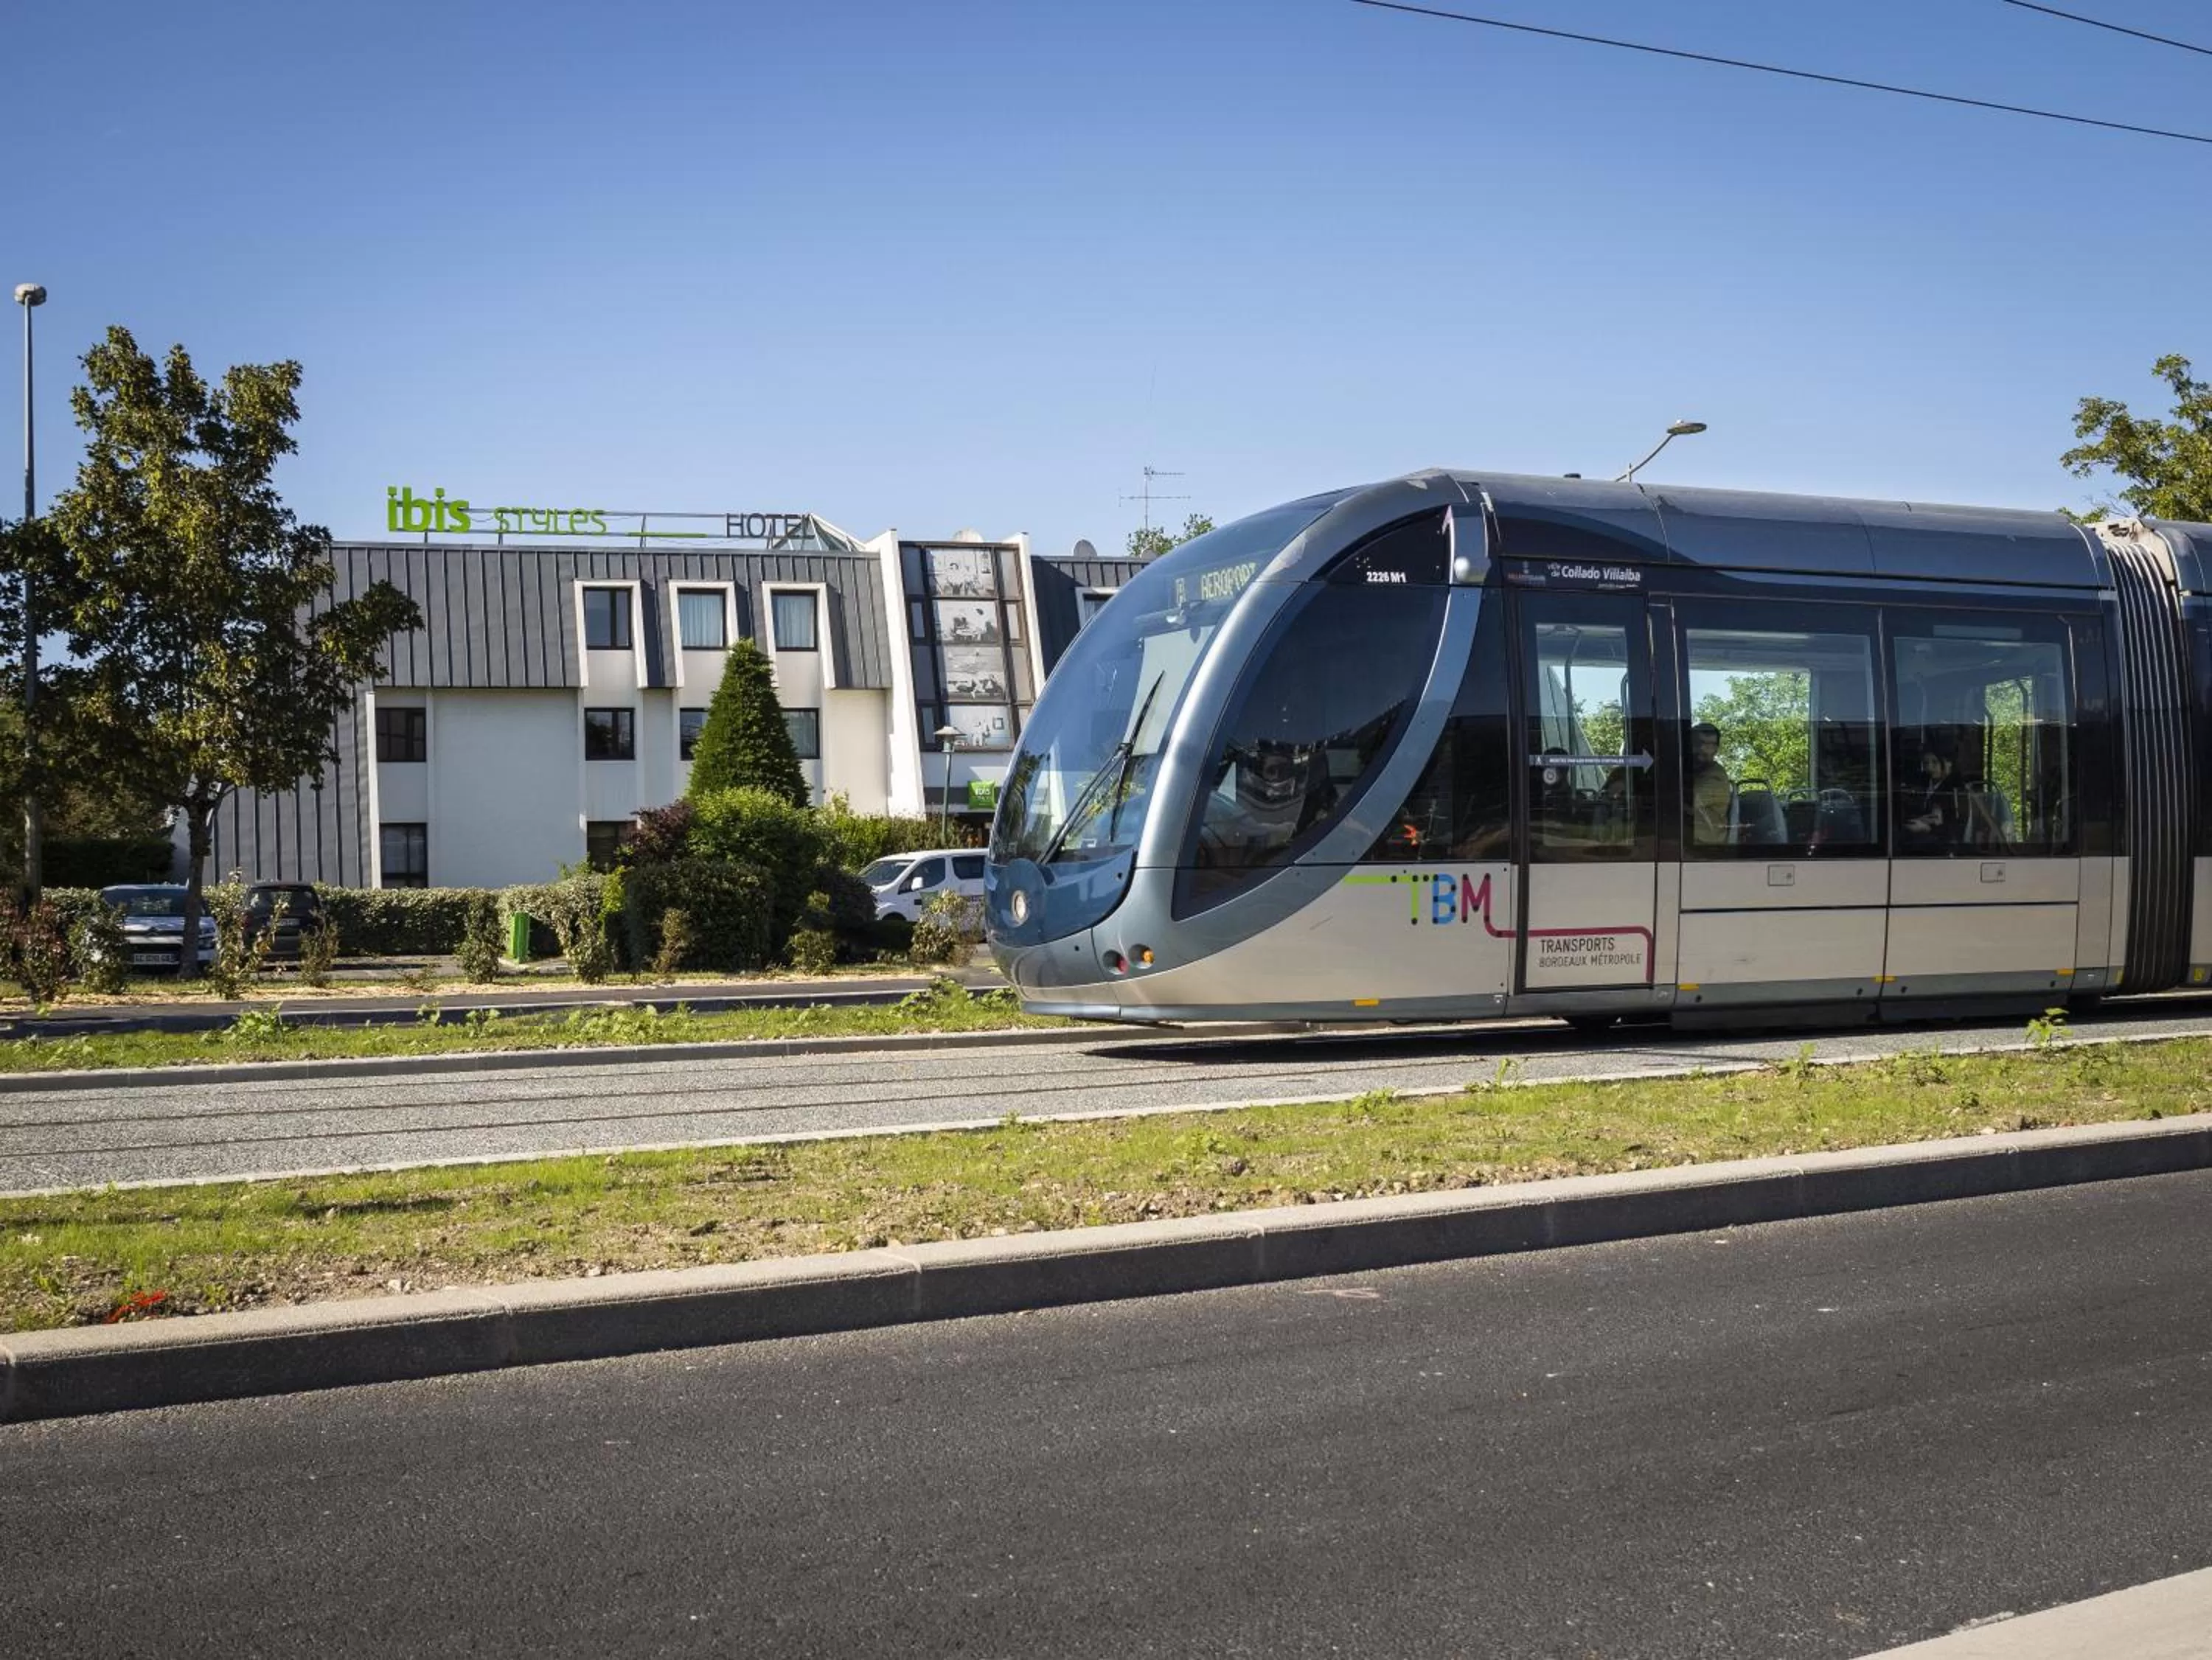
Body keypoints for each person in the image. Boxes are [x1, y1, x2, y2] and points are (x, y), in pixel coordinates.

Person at [1903, 741, 1964, 846]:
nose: (1929, 768)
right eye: (1926, 763)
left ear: (1948, 764)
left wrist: (1928, 828)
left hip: (1940, 843)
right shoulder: (1922, 782)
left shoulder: (1955, 790)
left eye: (1935, 762)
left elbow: (1955, 826)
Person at [1687, 722, 1733, 845]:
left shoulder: (1716, 776)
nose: (1703, 749)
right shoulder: (1691, 772)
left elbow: (1685, 802)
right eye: (1699, 743)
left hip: (1703, 847)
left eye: (1710, 745)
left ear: (1716, 749)